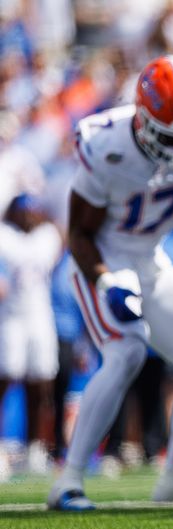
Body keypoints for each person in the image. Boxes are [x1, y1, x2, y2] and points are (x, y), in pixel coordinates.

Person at [47, 55, 173, 511]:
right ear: (143, 117)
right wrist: (107, 282)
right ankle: (68, 480)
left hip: (151, 259)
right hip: (101, 261)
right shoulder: (105, 144)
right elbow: (79, 235)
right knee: (127, 350)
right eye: (167, 136)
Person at [0, 194, 62, 475]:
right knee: (5, 375)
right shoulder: (5, 236)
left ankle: (35, 447)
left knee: (41, 380)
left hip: (39, 316)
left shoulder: (47, 236)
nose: (27, 216)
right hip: (10, 317)